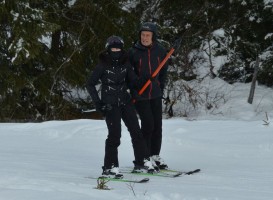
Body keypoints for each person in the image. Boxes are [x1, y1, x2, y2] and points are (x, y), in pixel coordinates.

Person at [86, 35, 156, 179]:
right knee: (114, 136)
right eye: (113, 48)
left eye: (118, 48)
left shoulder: (126, 63)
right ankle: (110, 167)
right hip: (110, 104)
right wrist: (98, 104)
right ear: (108, 49)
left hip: (126, 102)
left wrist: (145, 78)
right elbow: (90, 84)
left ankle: (141, 162)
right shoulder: (102, 65)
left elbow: (133, 82)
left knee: (137, 132)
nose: (116, 51)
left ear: (122, 49)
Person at [129, 22, 169, 169]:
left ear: (153, 36)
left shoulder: (160, 50)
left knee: (157, 126)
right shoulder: (133, 52)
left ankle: (154, 155)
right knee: (148, 125)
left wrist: (161, 87)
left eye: (148, 35)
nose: (145, 38)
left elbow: (163, 72)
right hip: (141, 95)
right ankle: (144, 157)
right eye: (142, 35)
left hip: (156, 94)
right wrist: (134, 89)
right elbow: (129, 74)